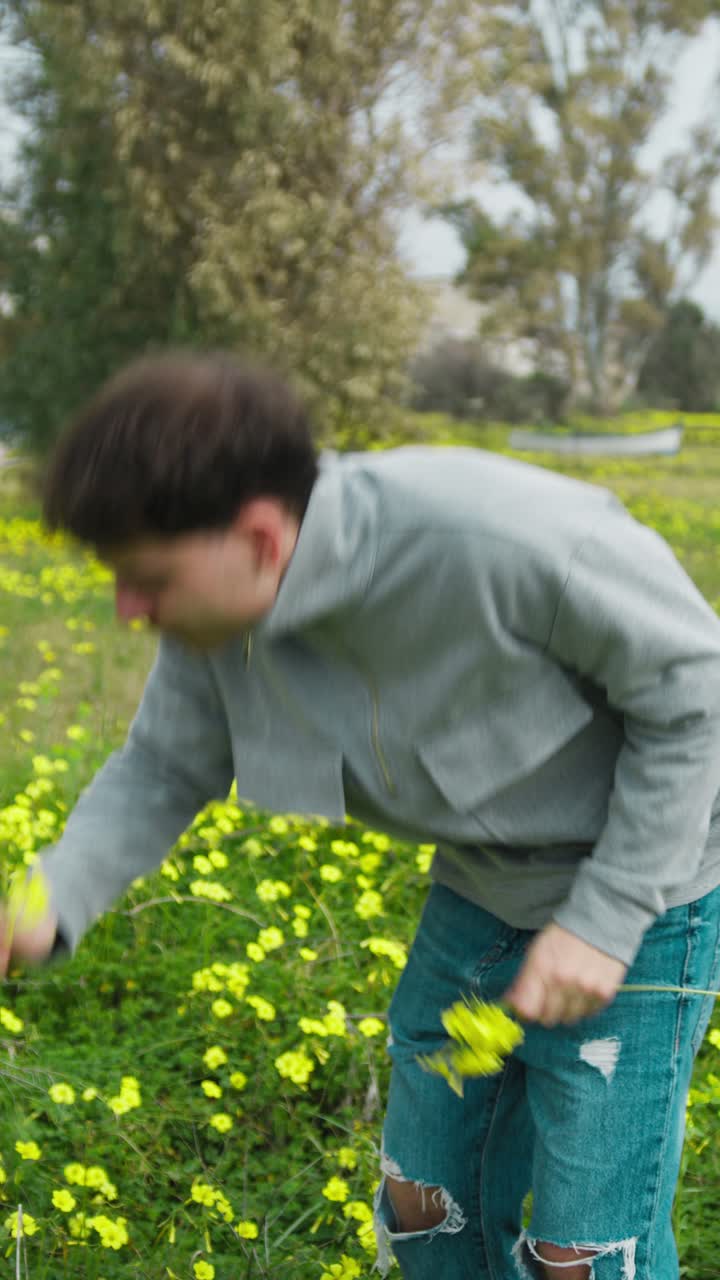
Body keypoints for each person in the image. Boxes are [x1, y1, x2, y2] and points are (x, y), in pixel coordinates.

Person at [2, 350, 720, 1280]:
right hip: (479, 887)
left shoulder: (503, 540)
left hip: (650, 892)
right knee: (423, 1203)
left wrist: (606, 916)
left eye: (146, 576)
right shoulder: (217, 617)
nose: (127, 608)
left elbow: (700, 695)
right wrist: (46, 901)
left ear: (261, 538)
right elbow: (165, 763)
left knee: (582, 1254)